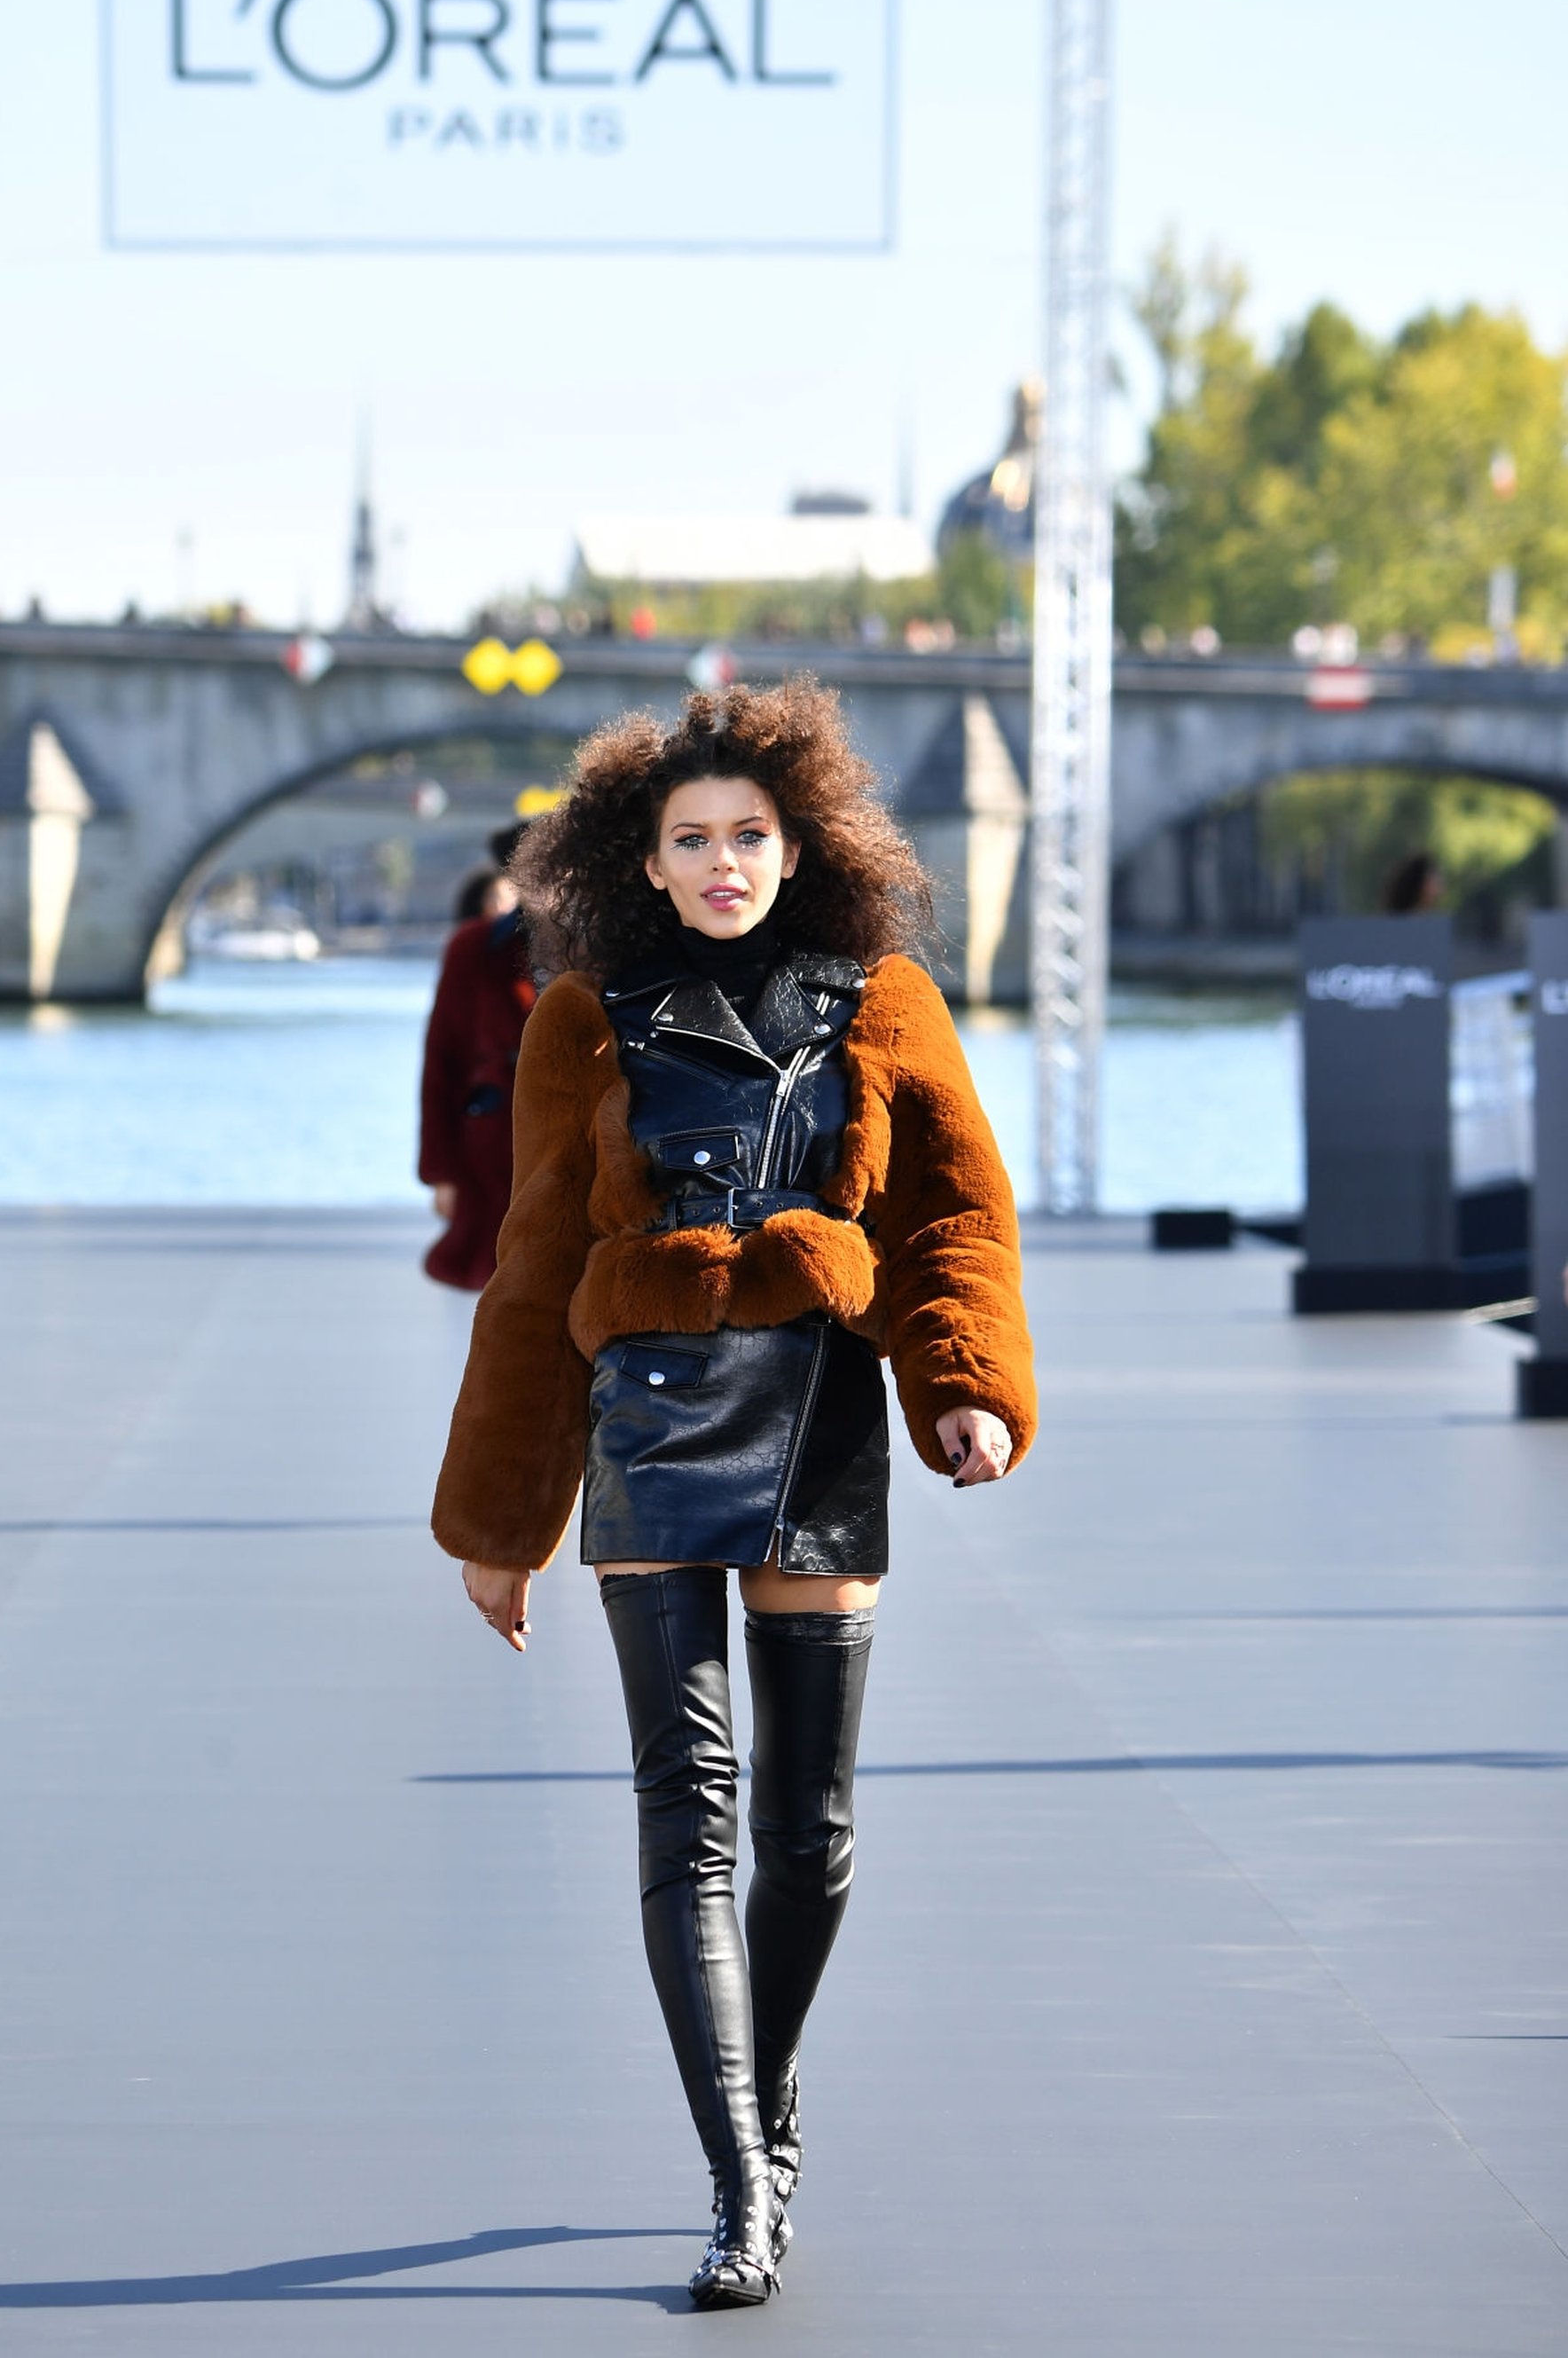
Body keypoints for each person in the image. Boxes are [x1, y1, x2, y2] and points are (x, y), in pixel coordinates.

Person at [430, 683, 1036, 2308]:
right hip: (647, 1427)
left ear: (798, 841)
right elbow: (534, 1265)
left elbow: (955, 1215)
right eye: (689, 840)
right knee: (685, 1812)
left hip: (821, 1415)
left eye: (745, 837)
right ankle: (741, 2182)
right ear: (641, 857)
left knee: (809, 1835)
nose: (719, 864)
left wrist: (965, 1389)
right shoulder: (587, 1017)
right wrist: (507, 1522)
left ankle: (761, 2103)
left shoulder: (885, 999)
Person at [417, 821, 536, 1291]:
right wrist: (441, 1173)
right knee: (502, 1300)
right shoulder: (473, 947)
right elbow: (441, 1061)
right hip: (492, 1151)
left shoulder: (599, 946)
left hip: (580, 1154)